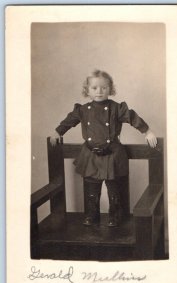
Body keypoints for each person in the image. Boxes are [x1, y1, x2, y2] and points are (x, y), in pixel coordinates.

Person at [50, 69, 157, 227]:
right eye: (94, 88)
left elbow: (132, 117)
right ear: (87, 90)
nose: (99, 91)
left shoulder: (116, 108)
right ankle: (91, 215)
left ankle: (115, 216)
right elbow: (69, 120)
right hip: (91, 155)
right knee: (91, 189)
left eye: (104, 88)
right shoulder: (82, 110)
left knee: (114, 190)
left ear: (110, 89)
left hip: (112, 154)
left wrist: (147, 131)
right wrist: (57, 132)